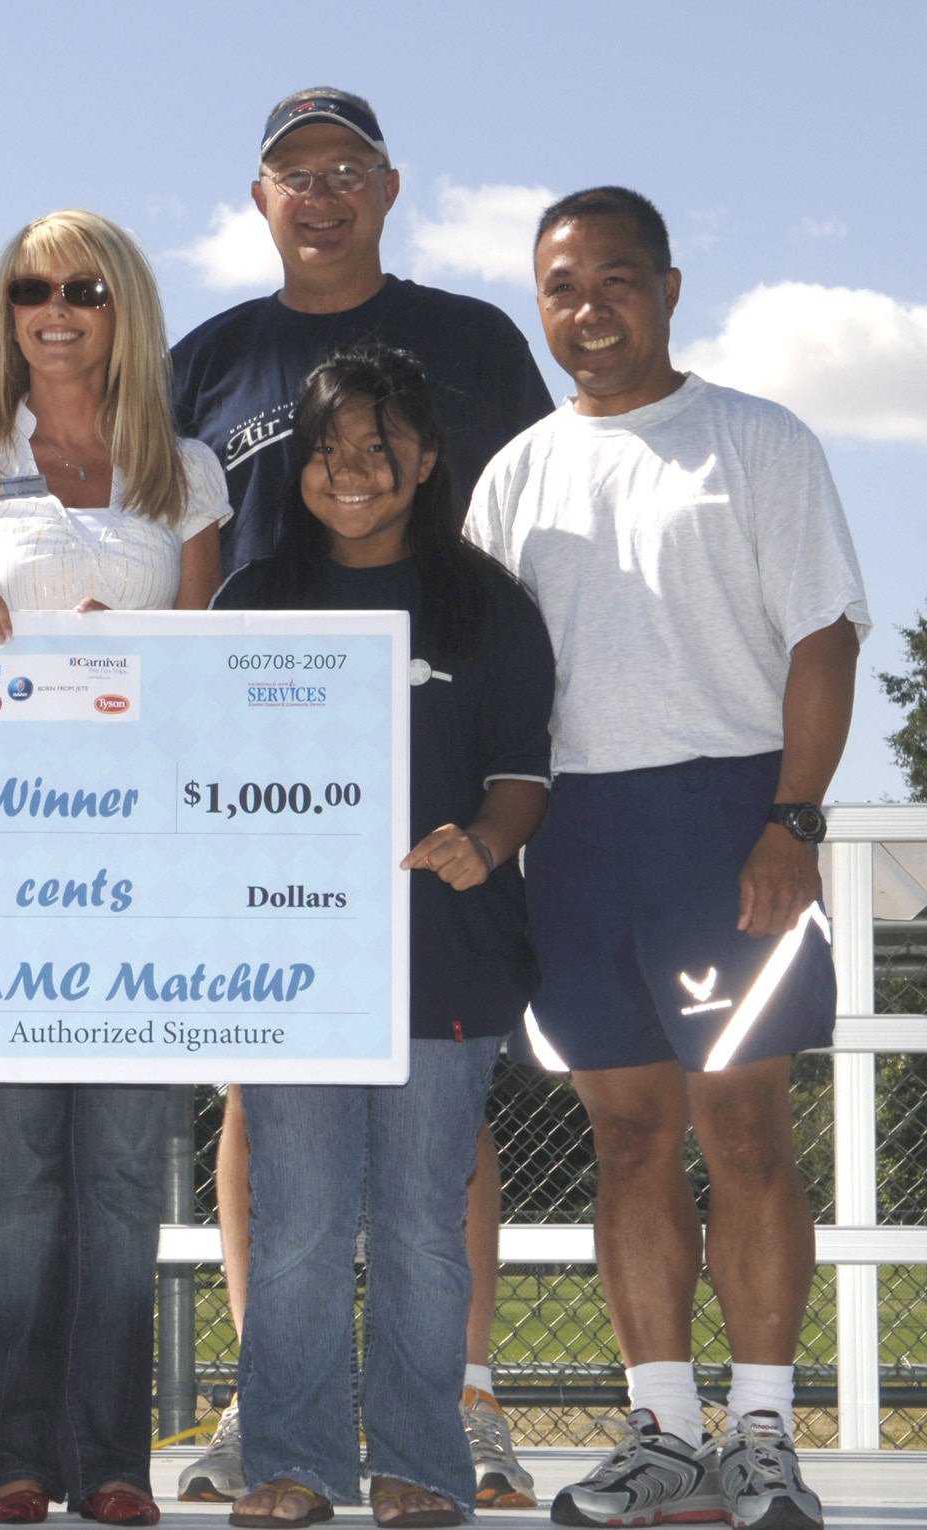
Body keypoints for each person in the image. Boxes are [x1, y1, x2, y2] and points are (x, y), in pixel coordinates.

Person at [168, 86, 553, 1511]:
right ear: (259, 198)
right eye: (292, 173)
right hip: (277, 845)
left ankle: (450, 1420)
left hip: (438, 820)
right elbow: (168, 575)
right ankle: (275, 1431)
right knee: (275, 1150)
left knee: (432, 1176)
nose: (319, 193)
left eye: (346, 170)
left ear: (388, 187)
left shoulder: (474, 345)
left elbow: (534, 552)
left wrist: (500, 819)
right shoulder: (204, 361)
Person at [469, 187, 867, 1530]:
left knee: (743, 1125)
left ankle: (763, 1431)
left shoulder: (756, 440)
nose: (591, 310)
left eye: (616, 280)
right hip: (573, 833)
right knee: (627, 1131)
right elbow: (476, 682)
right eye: (563, 288)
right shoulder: (514, 474)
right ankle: (668, 1432)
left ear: (671, 286)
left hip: (727, 823)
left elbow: (825, 637)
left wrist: (793, 818)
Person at [0, 209, 229, 1528]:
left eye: (84, 287)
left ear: (124, 309)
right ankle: (12, 1457)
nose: (56, 307)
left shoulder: (193, 473)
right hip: (6, 864)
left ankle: (112, 1456)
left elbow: (208, 668)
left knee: (119, 1175)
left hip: (147, 869)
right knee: (26, 1174)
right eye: (30, 287)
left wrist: (137, 652)